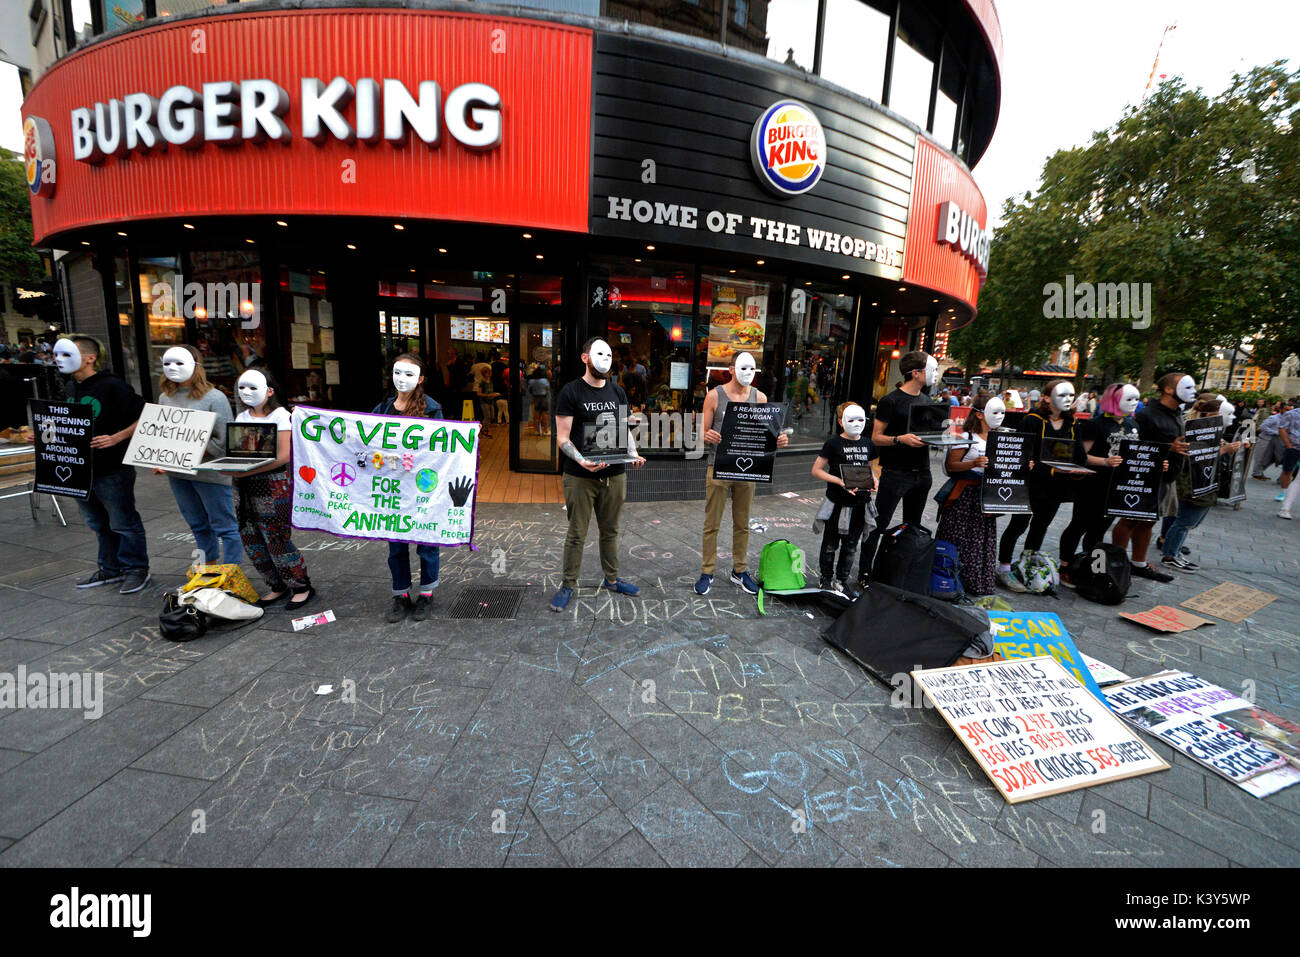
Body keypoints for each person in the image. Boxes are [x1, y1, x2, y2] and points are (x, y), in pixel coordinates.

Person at [550, 337, 646, 612]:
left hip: (614, 474)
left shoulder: (617, 392)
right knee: (577, 533)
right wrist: (582, 461)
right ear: (585, 357)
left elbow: (624, 429)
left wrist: (633, 453)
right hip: (580, 476)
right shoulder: (571, 392)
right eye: (598, 353)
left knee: (611, 531)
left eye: (608, 354)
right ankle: (568, 584)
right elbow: (563, 438)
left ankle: (612, 579)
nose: (604, 359)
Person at [53, 336, 152, 594]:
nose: (58, 360)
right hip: (79, 469)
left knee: (123, 522)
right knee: (98, 523)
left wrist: (116, 437)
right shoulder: (70, 387)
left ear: (90, 358)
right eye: (57, 355)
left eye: (66, 354)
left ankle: (136, 569)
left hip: (112, 468)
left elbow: (147, 415)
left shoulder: (112, 386)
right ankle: (111, 569)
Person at [697, 350, 789, 596]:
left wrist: (778, 440)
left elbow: (766, 434)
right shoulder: (714, 396)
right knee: (711, 523)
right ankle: (707, 571)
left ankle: (739, 570)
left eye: (752, 368)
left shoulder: (760, 397)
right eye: (743, 367)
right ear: (731, 369)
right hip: (719, 465)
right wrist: (707, 435)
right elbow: (700, 432)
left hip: (748, 469)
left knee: (742, 524)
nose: (748, 373)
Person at [995, 380, 1090, 592]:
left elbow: (1080, 455)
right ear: (1046, 398)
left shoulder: (1072, 423)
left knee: (1040, 526)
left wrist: (1075, 468)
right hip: (1030, 484)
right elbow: (1021, 454)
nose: (1067, 399)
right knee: (1018, 526)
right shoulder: (1032, 420)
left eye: (1070, 395)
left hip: (1056, 486)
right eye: (1062, 395)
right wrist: (1047, 468)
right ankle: (1004, 568)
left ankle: (1027, 565)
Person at [232, 368, 314, 610]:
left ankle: (300, 585)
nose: (246, 393)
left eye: (252, 388)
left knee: (276, 537)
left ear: (269, 391)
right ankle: (276, 584)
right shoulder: (242, 417)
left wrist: (246, 471)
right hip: (244, 486)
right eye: (242, 388)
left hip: (273, 485)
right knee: (251, 537)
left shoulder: (280, 416)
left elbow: (284, 455)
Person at [859, 350, 939, 588]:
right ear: (915, 373)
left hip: (922, 471)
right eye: (930, 369)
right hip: (895, 472)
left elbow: (932, 434)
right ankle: (865, 573)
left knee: (913, 526)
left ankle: (903, 572)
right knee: (878, 524)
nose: (935, 374)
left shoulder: (928, 402)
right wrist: (899, 439)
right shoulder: (890, 401)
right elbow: (875, 437)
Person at [157, 345, 242, 566]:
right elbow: (162, 434)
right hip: (179, 474)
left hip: (209, 474)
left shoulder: (216, 398)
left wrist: (193, 446)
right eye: (167, 363)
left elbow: (224, 441)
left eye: (179, 362)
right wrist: (159, 458)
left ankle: (232, 573)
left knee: (225, 526)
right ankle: (208, 569)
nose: (172, 368)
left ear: (196, 366)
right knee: (197, 525)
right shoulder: (165, 398)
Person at [374, 354, 443, 622]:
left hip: (422, 487)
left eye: (409, 374)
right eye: (397, 373)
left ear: (421, 379)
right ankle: (400, 595)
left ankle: (427, 594)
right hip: (392, 488)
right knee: (396, 546)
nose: (401, 379)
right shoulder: (381, 409)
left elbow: (442, 448)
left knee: (427, 543)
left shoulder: (432, 409)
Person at [1111, 372, 1195, 583]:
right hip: (1143, 477)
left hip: (1166, 476)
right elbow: (1134, 446)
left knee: (1148, 521)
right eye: (1186, 386)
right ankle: (1116, 563)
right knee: (1129, 519)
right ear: (1168, 389)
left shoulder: (1177, 414)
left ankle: (1138, 563)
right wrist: (1169, 447)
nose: (1192, 391)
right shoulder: (1147, 415)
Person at [1056, 382, 1137, 584]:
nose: (1134, 403)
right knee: (1079, 525)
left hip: (1117, 486)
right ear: (1115, 400)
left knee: (1099, 530)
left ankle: (1091, 567)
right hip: (1092, 485)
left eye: (1137, 399)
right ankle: (1064, 567)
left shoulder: (1132, 424)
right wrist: (1106, 462)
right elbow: (1081, 456)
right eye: (1129, 399)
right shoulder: (1095, 424)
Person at [1160, 394, 1243, 569]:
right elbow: (1196, 458)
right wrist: (1224, 450)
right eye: (1229, 414)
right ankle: (1169, 555)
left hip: (1205, 484)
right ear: (1213, 416)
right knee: (1184, 521)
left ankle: (1175, 551)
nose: (1233, 418)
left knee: (1189, 523)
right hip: (1193, 485)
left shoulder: (1214, 433)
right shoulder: (1197, 431)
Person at [936, 393, 999, 599]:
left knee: (981, 539)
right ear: (980, 415)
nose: (999, 416)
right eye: (995, 411)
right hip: (965, 495)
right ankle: (949, 577)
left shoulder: (1003, 438)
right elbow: (951, 466)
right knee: (959, 536)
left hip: (986, 496)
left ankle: (977, 580)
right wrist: (973, 463)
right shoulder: (965, 438)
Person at [810, 402, 874, 597]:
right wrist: (838, 481)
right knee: (830, 544)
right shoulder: (833, 444)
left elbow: (870, 468)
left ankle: (842, 580)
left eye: (860, 419)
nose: (856, 424)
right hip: (837, 503)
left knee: (851, 546)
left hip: (860, 503)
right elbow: (816, 470)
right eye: (851, 419)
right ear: (841, 421)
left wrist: (874, 480)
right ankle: (826, 578)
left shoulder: (868, 443)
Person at [526, 362, 551, 435]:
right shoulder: (544, 381)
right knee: (545, 414)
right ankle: (546, 430)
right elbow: (548, 389)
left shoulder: (532, 381)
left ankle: (536, 431)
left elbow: (530, 389)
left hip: (535, 398)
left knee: (536, 415)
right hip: (543, 398)